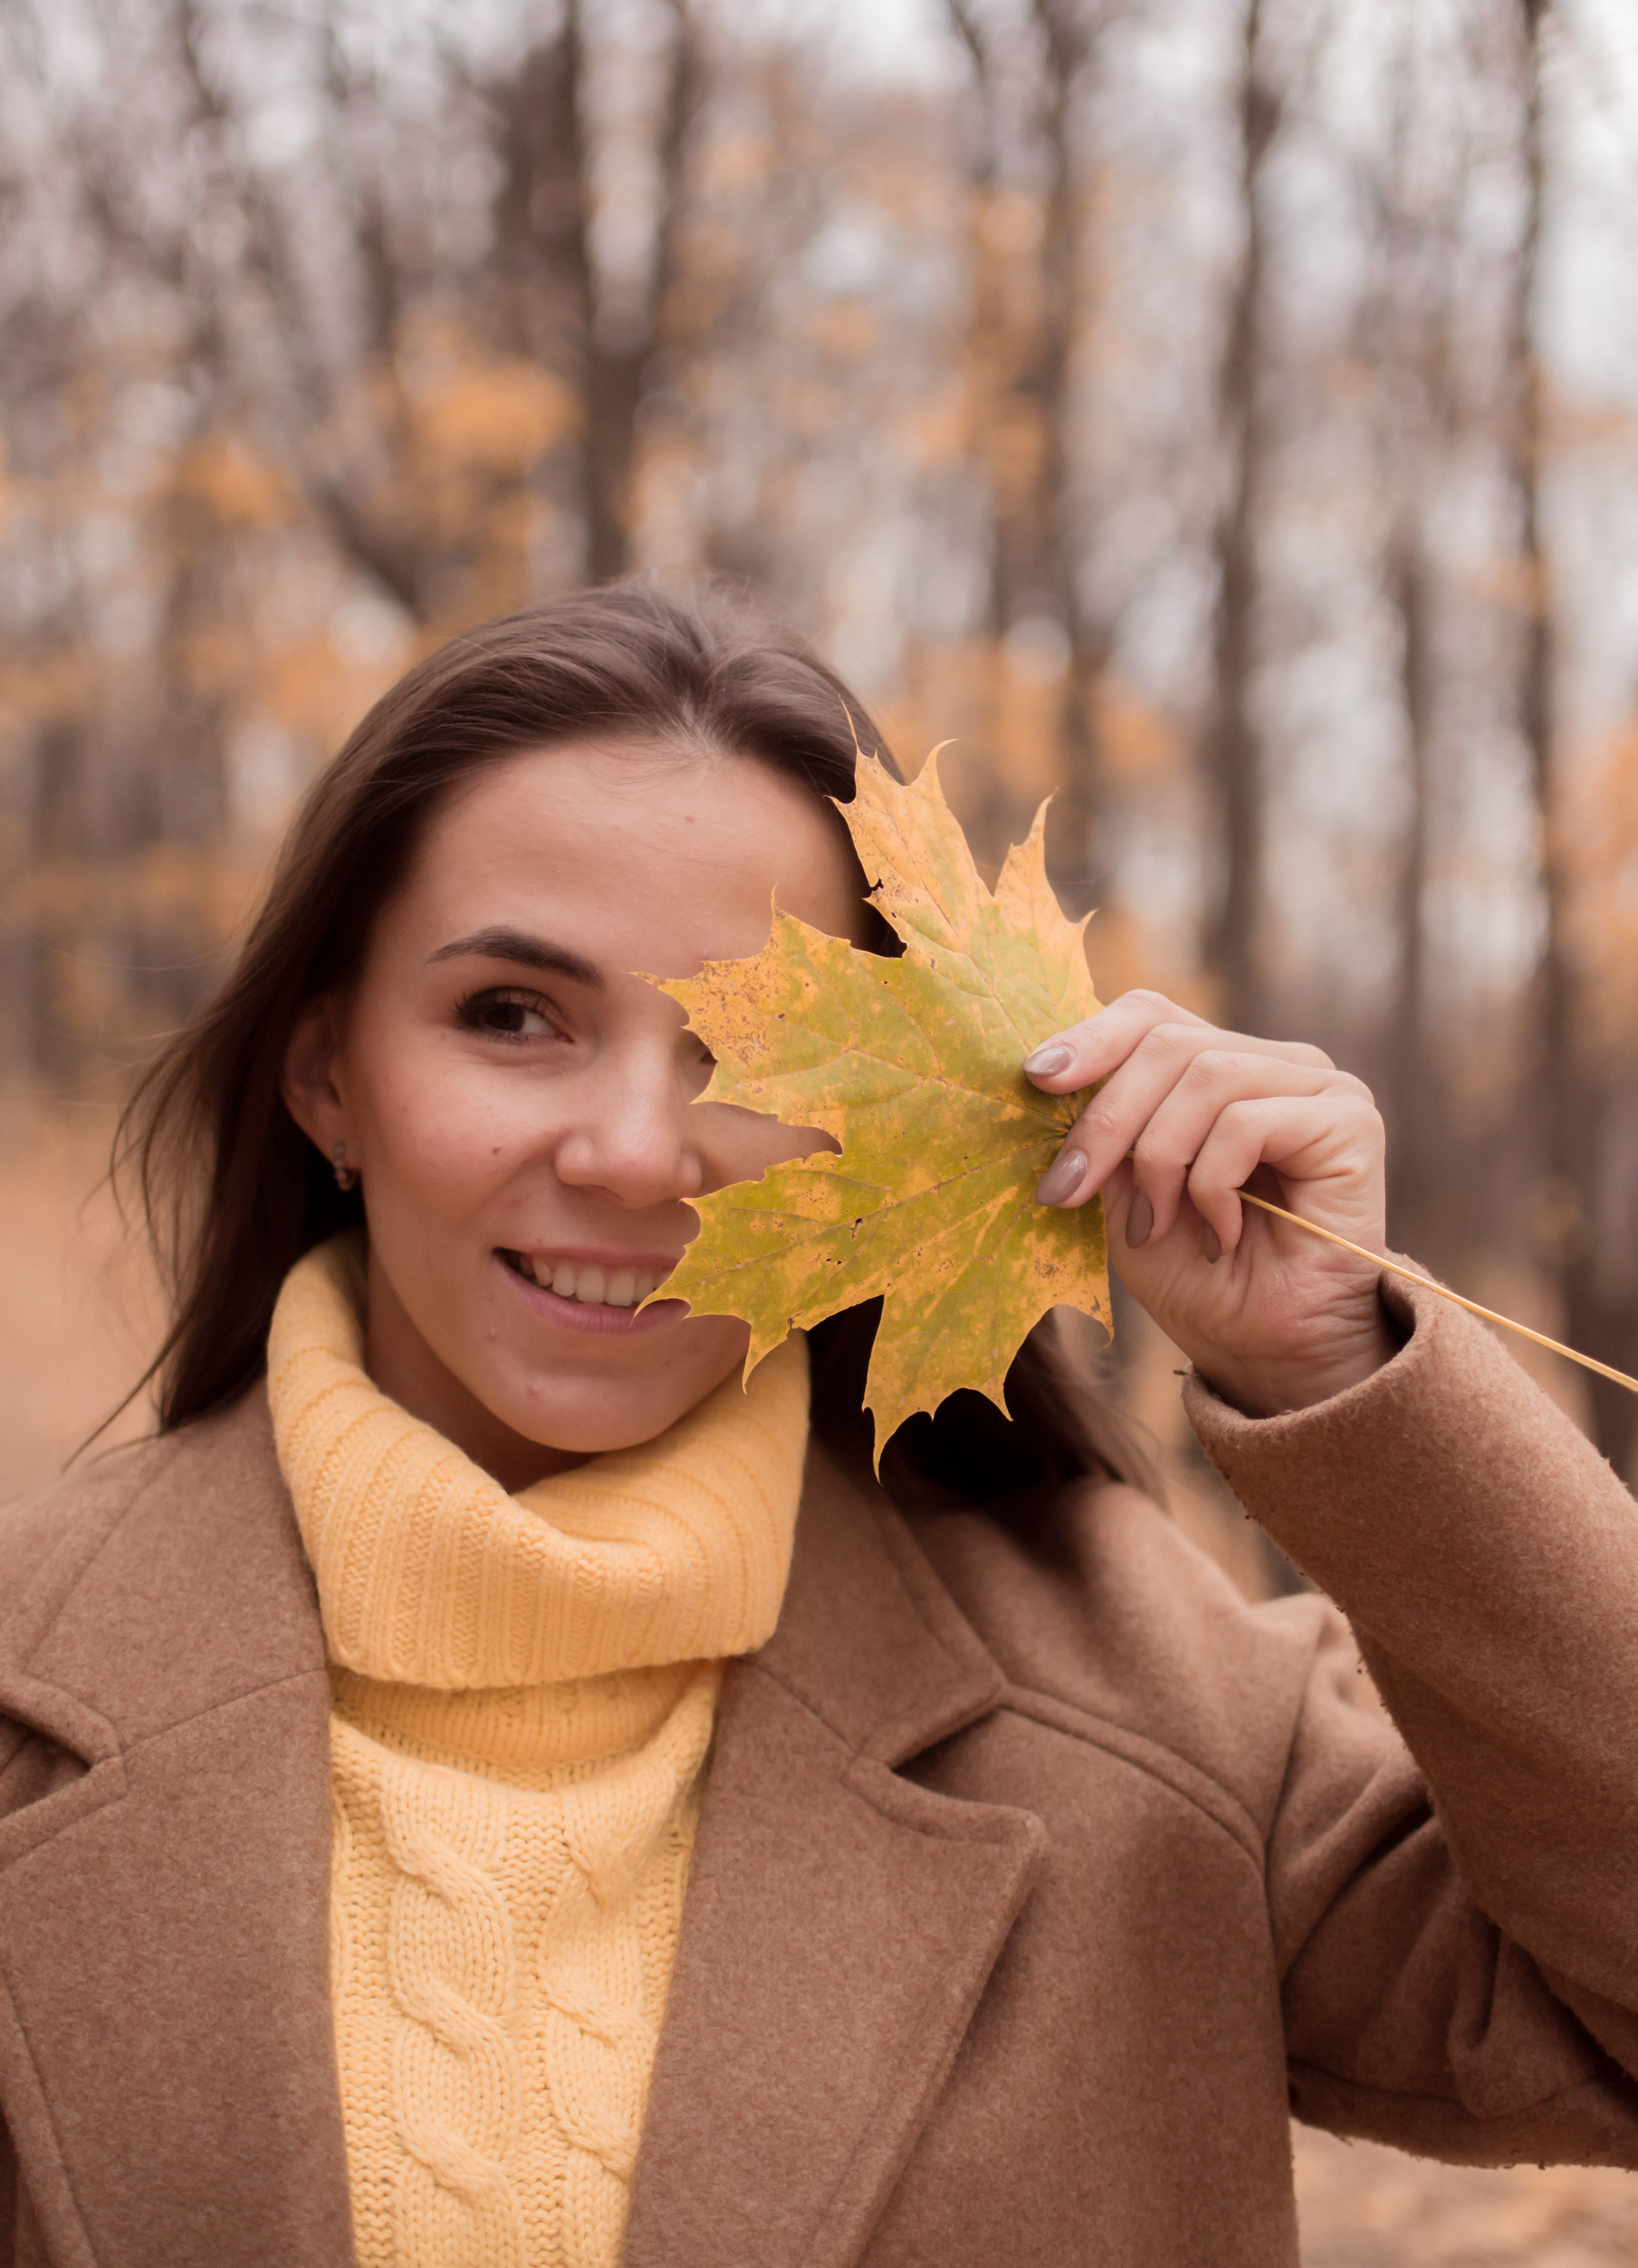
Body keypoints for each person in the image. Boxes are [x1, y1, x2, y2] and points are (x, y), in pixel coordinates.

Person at [0, 583, 1634, 2268]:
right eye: (513, 1016)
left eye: (745, 1051)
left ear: (876, 1136)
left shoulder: (1155, 1710)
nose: (637, 1153)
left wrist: (1336, 1372)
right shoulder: (27, 1686)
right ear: (326, 1074)